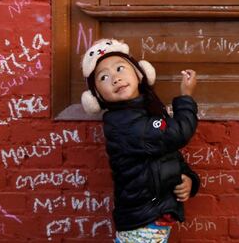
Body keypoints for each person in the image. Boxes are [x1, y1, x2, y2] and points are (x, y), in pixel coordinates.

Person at [80, 38, 200, 243]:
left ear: (139, 73)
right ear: (97, 96)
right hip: (143, 219)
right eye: (104, 77)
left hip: (151, 215)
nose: (115, 79)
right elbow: (176, 135)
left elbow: (166, 153)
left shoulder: (146, 112)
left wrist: (189, 179)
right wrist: (186, 97)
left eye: (120, 68)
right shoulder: (124, 124)